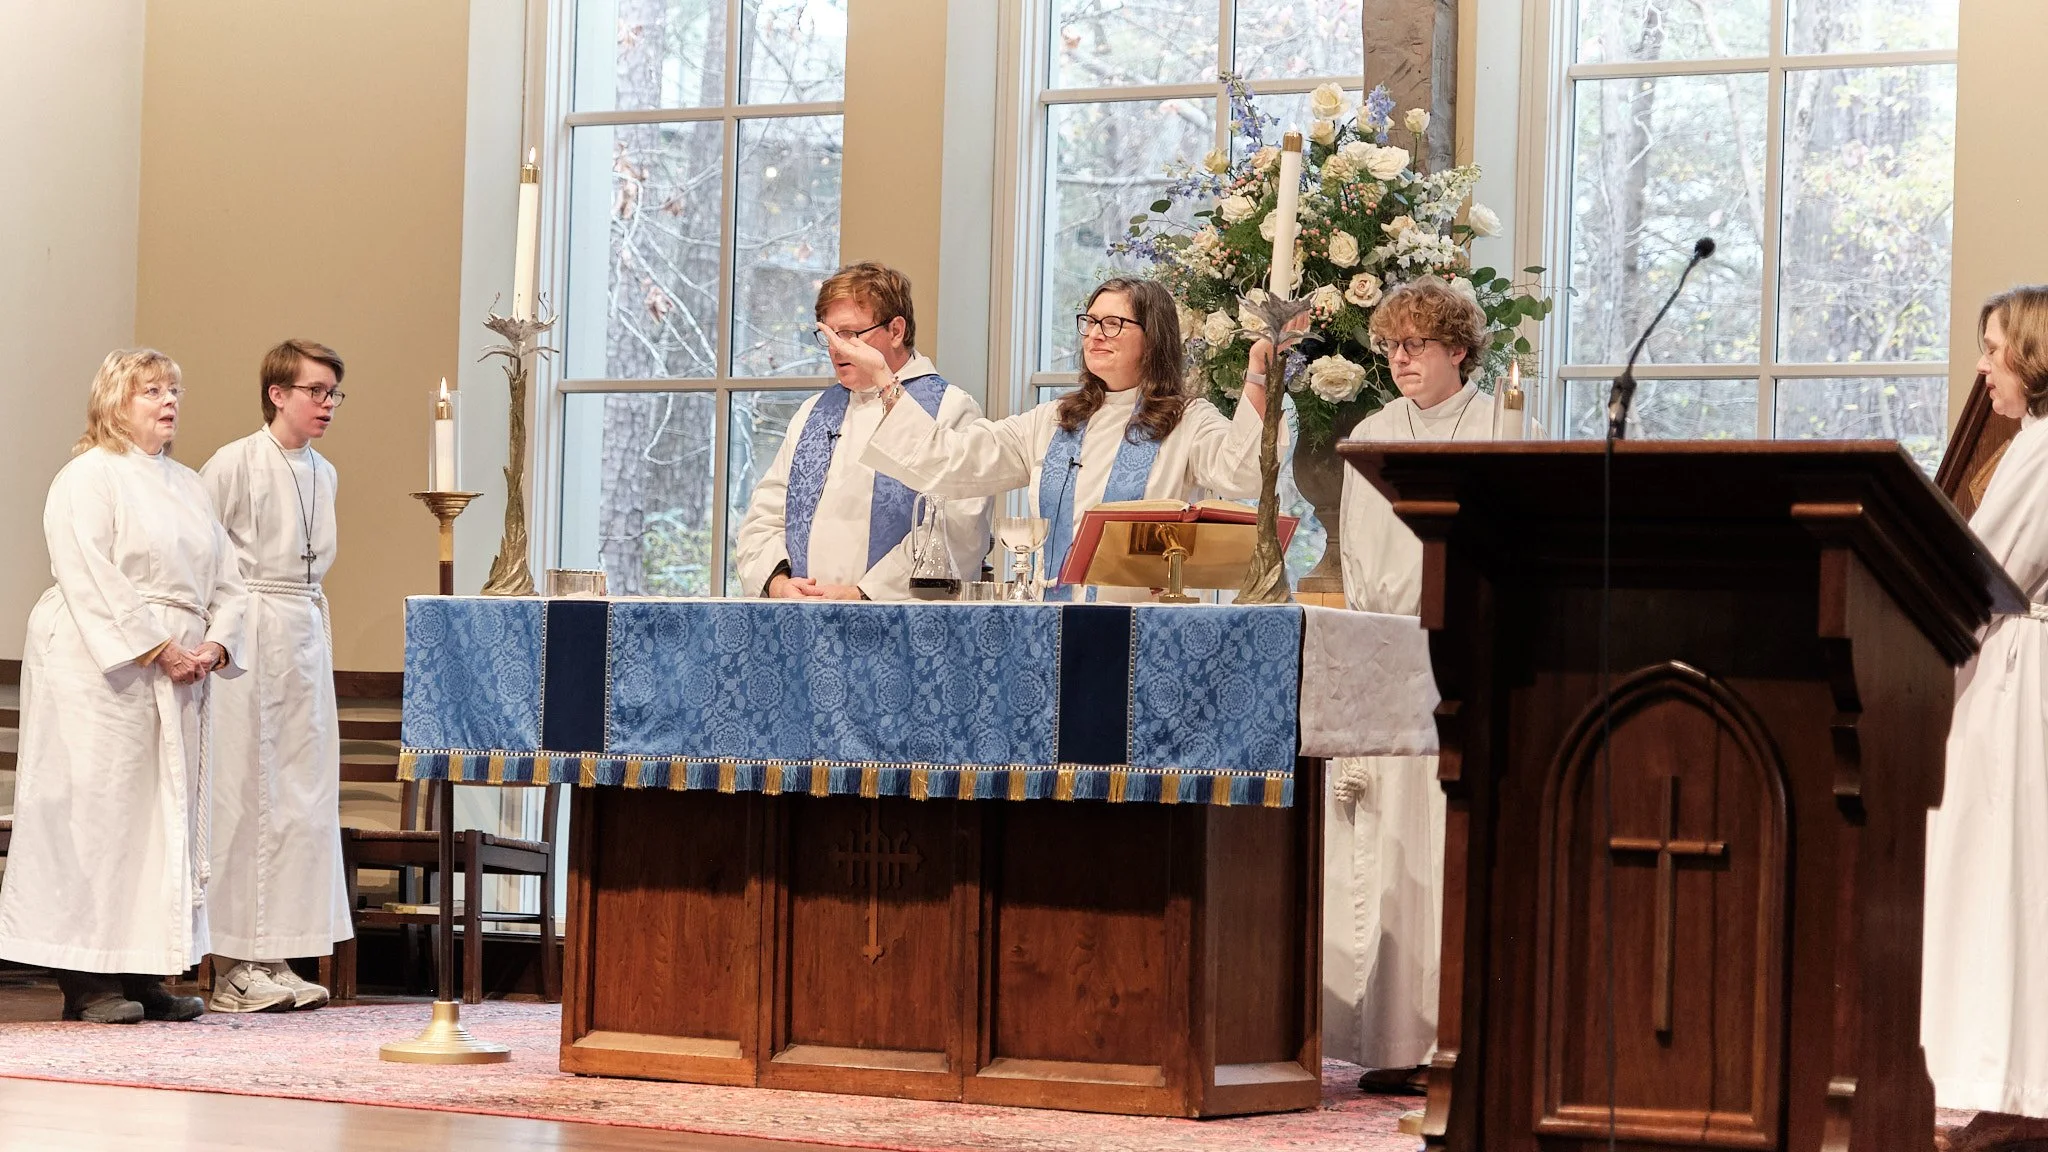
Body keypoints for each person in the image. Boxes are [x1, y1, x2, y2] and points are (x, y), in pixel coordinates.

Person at [0, 349, 247, 1024]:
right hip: (100, 667)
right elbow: (89, 572)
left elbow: (230, 578)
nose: (169, 401)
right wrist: (156, 645)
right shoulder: (87, 476)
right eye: (151, 391)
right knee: (99, 814)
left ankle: (144, 972)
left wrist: (216, 642)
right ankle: (87, 978)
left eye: (174, 389)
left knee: (162, 821)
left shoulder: (191, 487)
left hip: (180, 668)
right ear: (115, 401)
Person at [1328, 276, 1499, 1093]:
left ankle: (1465, 1038)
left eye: (1418, 345)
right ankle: (1394, 1044)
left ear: (1457, 349)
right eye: (1391, 345)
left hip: (1470, 648)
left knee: (1451, 850)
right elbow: (1361, 557)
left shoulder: (1505, 425)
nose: (1400, 359)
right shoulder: (1372, 431)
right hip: (1391, 654)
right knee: (1387, 854)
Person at [848, 277, 1276, 595]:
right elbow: (954, 462)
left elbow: (1243, 473)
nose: (1093, 335)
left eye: (1113, 324)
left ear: (1154, 337)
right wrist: (886, 381)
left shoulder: (1188, 421)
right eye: (1089, 322)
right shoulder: (1053, 420)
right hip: (1051, 619)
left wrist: (1260, 374)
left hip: (1143, 628)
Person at [1922, 286, 2048, 1152]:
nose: (1982, 366)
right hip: (2015, 658)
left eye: (1991, 348)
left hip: (2017, 674)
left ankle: (1995, 1067)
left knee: (2000, 863)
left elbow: (1990, 566)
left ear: (2032, 355)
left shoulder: (2037, 449)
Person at [197, 339, 352, 1013]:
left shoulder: (326, 472)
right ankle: (234, 961)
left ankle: (281, 952)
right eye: (315, 391)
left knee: (301, 797)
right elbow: (203, 558)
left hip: (304, 629)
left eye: (332, 394)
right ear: (277, 393)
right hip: (250, 630)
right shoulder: (232, 464)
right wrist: (217, 640)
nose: (326, 405)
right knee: (245, 795)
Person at [733, 262, 990, 600]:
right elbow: (764, 515)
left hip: (897, 625)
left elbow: (958, 529)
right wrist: (779, 582)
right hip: (805, 619)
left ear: (896, 330)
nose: (836, 349)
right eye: (828, 335)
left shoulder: (950, 409)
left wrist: (862, 593)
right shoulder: (813, 414)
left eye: (851, 335)